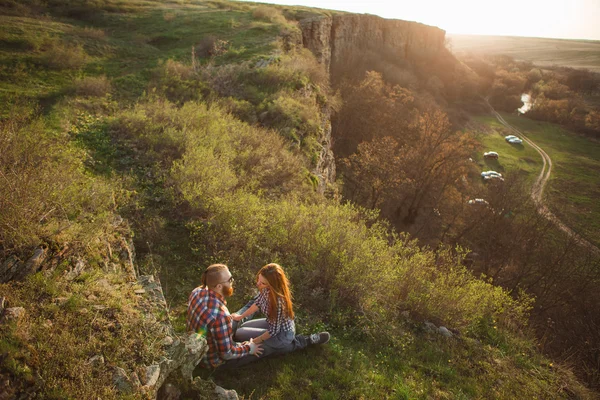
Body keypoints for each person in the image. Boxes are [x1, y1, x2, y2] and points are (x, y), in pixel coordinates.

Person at [229, 263, 330, 366]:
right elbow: (257, 303)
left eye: (262, 283)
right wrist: (241, 316)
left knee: (256, 351)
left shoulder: (278, 303)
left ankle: (305, 341)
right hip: (272, 323)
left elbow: (273, 332)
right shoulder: (265, 289)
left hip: (281, 335)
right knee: (240, 331)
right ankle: (284, 345)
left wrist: (253, 342)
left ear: (272, 285)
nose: (258, 284)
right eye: (258, 279)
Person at [187, 264, 263, 369]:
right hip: (214, 361)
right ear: (219, 286)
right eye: (230, 280)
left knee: (239, 316)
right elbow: (227, 354)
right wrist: (249, 348)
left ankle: (258, 301)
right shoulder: (221, 316)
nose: (232, 282)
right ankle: (292, 343)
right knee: (262, 348)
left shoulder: (197, 291)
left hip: (203, 344)